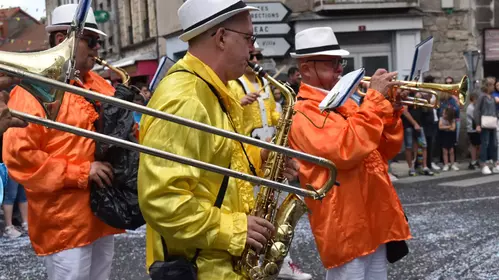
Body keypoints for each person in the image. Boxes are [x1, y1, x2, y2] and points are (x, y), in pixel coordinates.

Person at [137, 1, 299, 279]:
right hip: (203, 268)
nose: (252, 49)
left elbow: (217, 159)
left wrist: (261, 160)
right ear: (222, 37)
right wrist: (235, 230)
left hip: (220, 266)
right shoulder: (185, 98)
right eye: (249, 38)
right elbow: (162, 201)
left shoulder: (212, 89)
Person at [2, 4, 125, 279]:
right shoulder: (32, 91)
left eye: (99, 43)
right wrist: (82, 172)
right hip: (64, 222)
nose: (97, 50)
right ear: (63, 40)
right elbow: (19, 157)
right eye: (91, 42)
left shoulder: (100, 85)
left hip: (102, 214)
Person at [287, 27, 411, 280]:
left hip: (373, 218)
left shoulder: (347, 102)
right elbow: (345, 150)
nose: (339, 68)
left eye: (339, 62)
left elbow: (383, 150)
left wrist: (390, 112)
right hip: (345, 223)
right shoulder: (302, 113)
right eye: (331, 63)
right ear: (306, 67)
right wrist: (375, 100)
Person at [229, 42, 281, 140]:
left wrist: (282, 119)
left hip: (270, 141)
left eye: (258, 56)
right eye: (251, 56)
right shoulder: (232, 84)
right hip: (247, 144)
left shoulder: (265, 82)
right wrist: (239, 103)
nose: (255, 60)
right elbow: (227, 115)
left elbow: (272, 112)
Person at [474, 77, 499, 175]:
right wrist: (477, 124)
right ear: (488, 86)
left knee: (494, 144)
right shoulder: (482, 97)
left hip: (492, 122)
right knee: (485, 144)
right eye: (492, 85)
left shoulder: (492, 97)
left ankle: (495, 162)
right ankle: (483, 164)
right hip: (484, 123)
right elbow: (477, 111)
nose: (494, 86)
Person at [466, 93, 480, 169]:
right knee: (474, 146)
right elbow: (475, 117)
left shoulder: (474, 107)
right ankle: (473, 161)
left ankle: (476, 160)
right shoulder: (470, 108)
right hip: (472, 130)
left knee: (477, 145)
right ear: (473, 99)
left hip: (475, 129)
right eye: (476, 100)